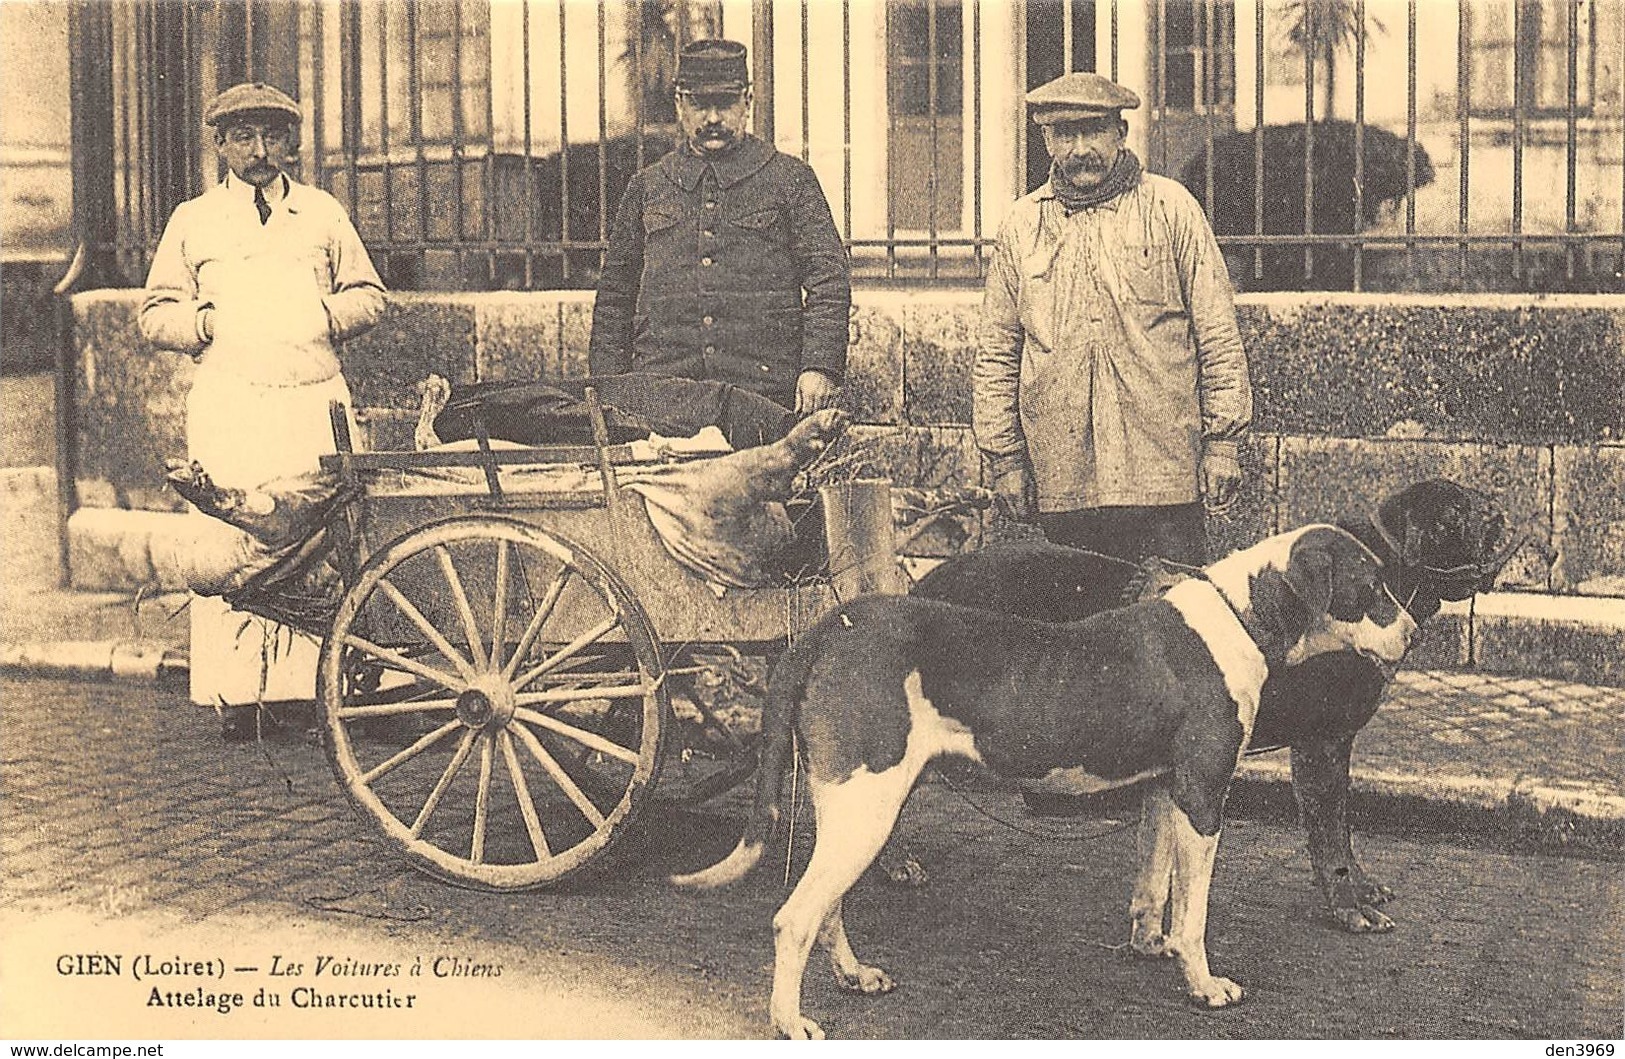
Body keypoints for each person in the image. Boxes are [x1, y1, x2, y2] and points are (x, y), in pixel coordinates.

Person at [140, 81, 386, 740]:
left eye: (272, 136)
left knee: (311, 542)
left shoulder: (321, 212)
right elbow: (155, 313)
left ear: (290, 142)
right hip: (233, 403)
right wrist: (208, 321)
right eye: (243, 137)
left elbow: (370, 293)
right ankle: (238, 697)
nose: (259, 151)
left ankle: (309, 693)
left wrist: (318, 314)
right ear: (219, 143)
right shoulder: (194, 219)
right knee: (235, 541)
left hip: (310, 399)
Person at [974, 72, 1251, 569]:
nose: (1081, 148)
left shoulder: (1173, 210)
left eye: (1094, 131)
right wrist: (1005, 460)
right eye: (1065, 134)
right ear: (1047, 141)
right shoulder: (1021, 226)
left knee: (1174, 623)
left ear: (1120, 134)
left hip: (1163, 475)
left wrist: (1223, 445)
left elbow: (1218, 334)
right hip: (1064, 479)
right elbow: (997, 353)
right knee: (1079, 631)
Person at [589, 38, 850, 423]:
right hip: (664, 393)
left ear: (747, 101)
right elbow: (615, 295)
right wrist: (608, 389)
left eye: (725, 103)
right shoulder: (648, 186)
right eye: (699, 104)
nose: (712, 118)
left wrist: (820, 367)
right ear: (680, 104)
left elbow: (829, 280)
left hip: (761, 395)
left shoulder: (789, 180)